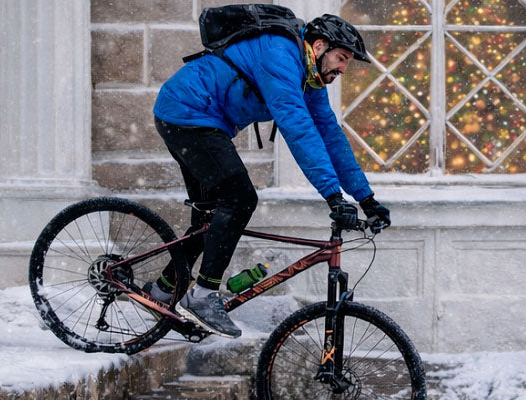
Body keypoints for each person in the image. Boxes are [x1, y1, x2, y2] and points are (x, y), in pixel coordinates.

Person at [142, 14, 391, 338]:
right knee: (240, 198)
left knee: (213, 217)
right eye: (342, 58)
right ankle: (202, 296)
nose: (343, 69)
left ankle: (161, 291)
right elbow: (298, 128)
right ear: (319, 46)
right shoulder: (281, 54)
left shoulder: (310, 77)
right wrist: (332, 194)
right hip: (187, 113)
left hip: (202, 120)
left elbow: (329, 135)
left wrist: (366, 199)